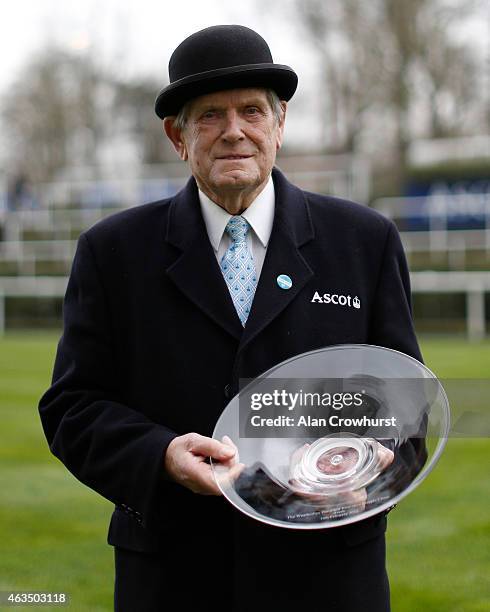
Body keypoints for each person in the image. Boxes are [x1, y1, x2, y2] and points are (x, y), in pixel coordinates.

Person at [39, 25, 422, 612]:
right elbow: (72, 407)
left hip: (331, 576)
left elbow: (406, 404)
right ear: (178, 135)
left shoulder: (364, 241)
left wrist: (367, 467)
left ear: (279, 124)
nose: (234, 132)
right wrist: (161, 455)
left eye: (251, 111)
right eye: (210, 115)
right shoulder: (112, 251)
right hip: (173, 576)